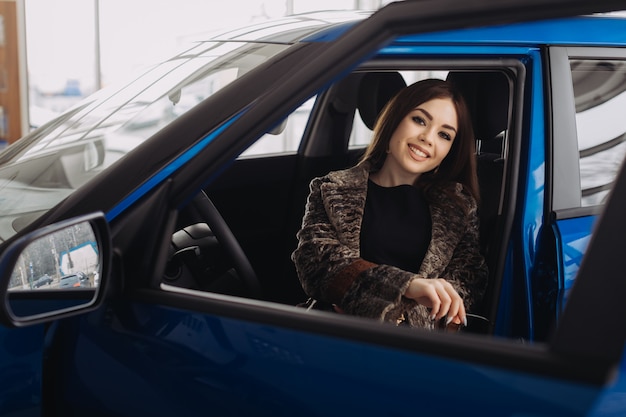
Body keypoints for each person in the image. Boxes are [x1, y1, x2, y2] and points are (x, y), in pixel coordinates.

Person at [292, 78, 488, 330]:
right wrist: (409, 286)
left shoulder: (459, 208)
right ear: (395, 119)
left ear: (450, 149)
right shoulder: (332, 189)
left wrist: (375, 309)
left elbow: (467, 284)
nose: (428, 137)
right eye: (419, 120)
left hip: (411, 347)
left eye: (444, 134)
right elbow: (316, 262)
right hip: (332, 333)